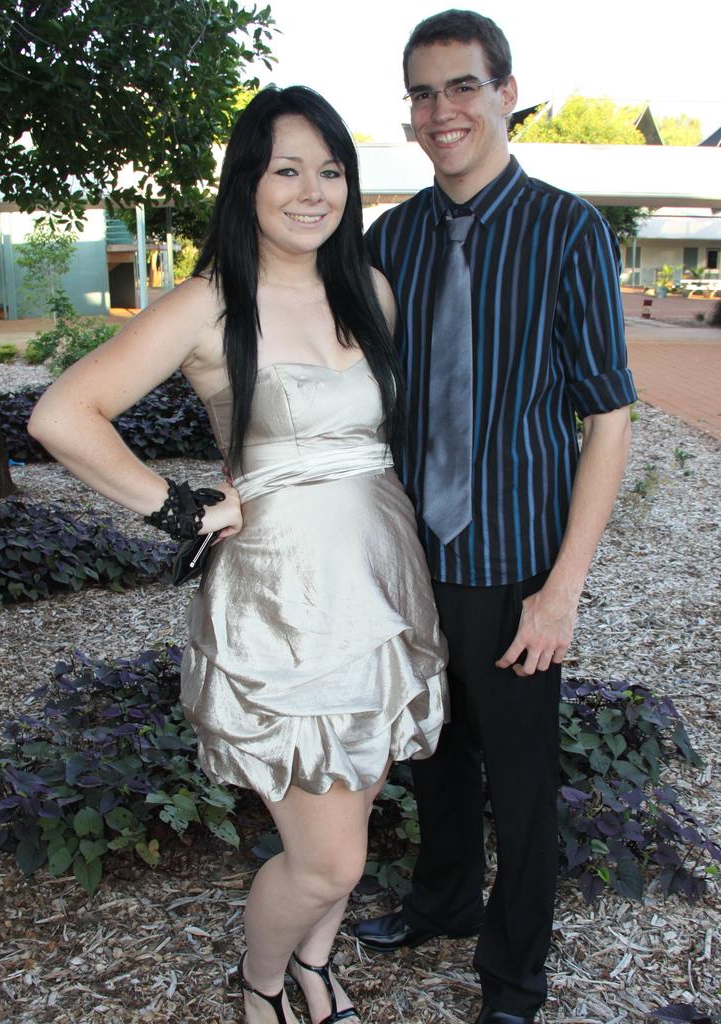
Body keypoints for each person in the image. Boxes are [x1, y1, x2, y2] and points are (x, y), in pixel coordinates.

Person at [28, 85, 448, 1024]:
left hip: (383, 585)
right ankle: (261, 983)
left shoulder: (366, 288)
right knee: (328, 855)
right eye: (286, 169)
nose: (312, 191)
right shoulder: (210, 303)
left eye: (331, 170)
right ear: (246, 182)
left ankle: (316, 966)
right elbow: (61, 416)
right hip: (285, 605)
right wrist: (179, 508)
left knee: (355, 817)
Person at [352, 11, 637, 1024]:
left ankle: (514, 978)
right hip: (415, 554)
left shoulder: (569, 230)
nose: (442, 113)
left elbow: (607, 418)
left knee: (518, 783)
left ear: (507, 92)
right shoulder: (388, 240)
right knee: (432, 752)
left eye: (462, 87)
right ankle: (437, 904)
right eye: (423, 94)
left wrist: (561, 590)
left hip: (517, 560)